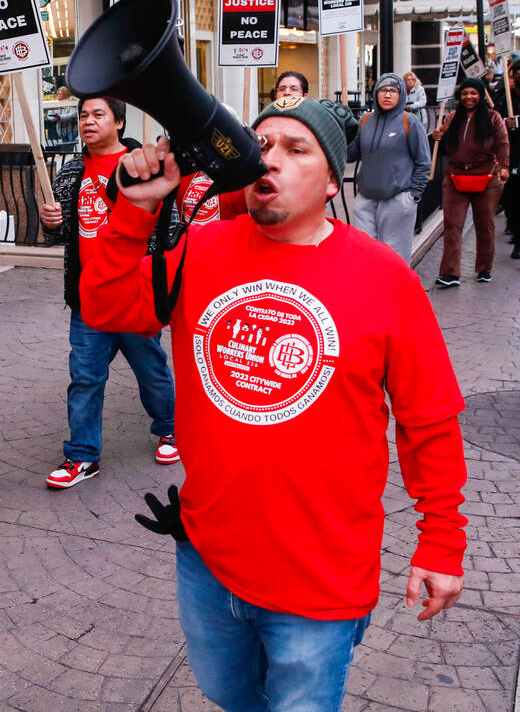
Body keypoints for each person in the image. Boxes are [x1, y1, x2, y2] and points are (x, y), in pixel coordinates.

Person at [80, 96, 468, 712]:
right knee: (228, 696)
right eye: (260, 145)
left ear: (333, 180)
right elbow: (107, 308)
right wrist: (133, 212)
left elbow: (429, 419)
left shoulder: (383, 276)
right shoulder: (204, 250)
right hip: (209, 561)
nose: (272, 159)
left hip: (320, 581)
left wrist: (441, 541)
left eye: (296, 148)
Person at [38, 96, 177, 482]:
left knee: (150, 369)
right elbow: (62, 235)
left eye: (98, 114)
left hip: (133, 293)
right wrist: (51, 224)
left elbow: (169, 224)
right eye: (83, 115)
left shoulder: (142, 167)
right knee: (84, 376)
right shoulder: (69, 173)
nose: (88, 122)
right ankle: (82, 455)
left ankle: (170, 428)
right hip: (88, 299)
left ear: (119, 122)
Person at [431, 78, 511, 285]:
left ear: (481, 95)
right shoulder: (451, 117)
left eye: (473, 93)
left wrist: (504, 167)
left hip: (486, 178)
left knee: (485, 225)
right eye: (465, 93)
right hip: (455, 178)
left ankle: (484, 268)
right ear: (460, 96)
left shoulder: (493, 118)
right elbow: (441, 144)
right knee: (452, 225)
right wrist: (437, 135)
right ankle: (450, 273)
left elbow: (502, 143)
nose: (469, 97)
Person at [346, 73, 431, 263]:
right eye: (383, 90)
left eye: (393, 91)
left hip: (397, 199)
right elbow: (351, 154)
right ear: (376, 93)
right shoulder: (366, 120)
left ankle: (396, 293)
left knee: (394, 259)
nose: (387, 95)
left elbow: (424, 162)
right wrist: (343, 131)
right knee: (366, 254)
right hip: (366, 200)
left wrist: (412, 196)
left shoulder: (410, 122)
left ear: (400, 95)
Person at [496, 54, 520, 260]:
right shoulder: (505, 97)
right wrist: (506, 121)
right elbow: (496, 119)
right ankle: (514, 227)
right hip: (511, 155)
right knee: (512, 197)